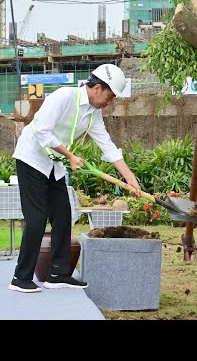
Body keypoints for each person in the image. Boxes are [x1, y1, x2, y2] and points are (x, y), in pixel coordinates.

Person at [9, 63, 141, 293]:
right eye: (110, 96)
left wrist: (130, 177)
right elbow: (41, 130)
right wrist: (70, 155)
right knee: (37, 218)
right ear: (98, 88)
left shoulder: (93, 114)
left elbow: (107, 146)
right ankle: (20, 278)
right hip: (31, 158)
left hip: (53, 164)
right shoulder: (64, 97)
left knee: (63, 214)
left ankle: (58, 274)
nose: (110, 103)